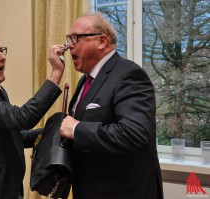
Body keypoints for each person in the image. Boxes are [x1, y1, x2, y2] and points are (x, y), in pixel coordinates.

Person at [59, 13, 164, 199]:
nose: (69, 46)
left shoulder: (129, 74)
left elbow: (135, 134)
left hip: (122, 192)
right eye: (69, 39)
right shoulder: (86, 80)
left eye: (76, 38)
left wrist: (77, 129)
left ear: (101, 41)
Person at [0, 29, 65, 199]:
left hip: (8, 187)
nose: (1, 56)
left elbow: (15, 136)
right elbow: (22, 118)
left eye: (1, 50)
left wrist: (52, 133)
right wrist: (56, 73)